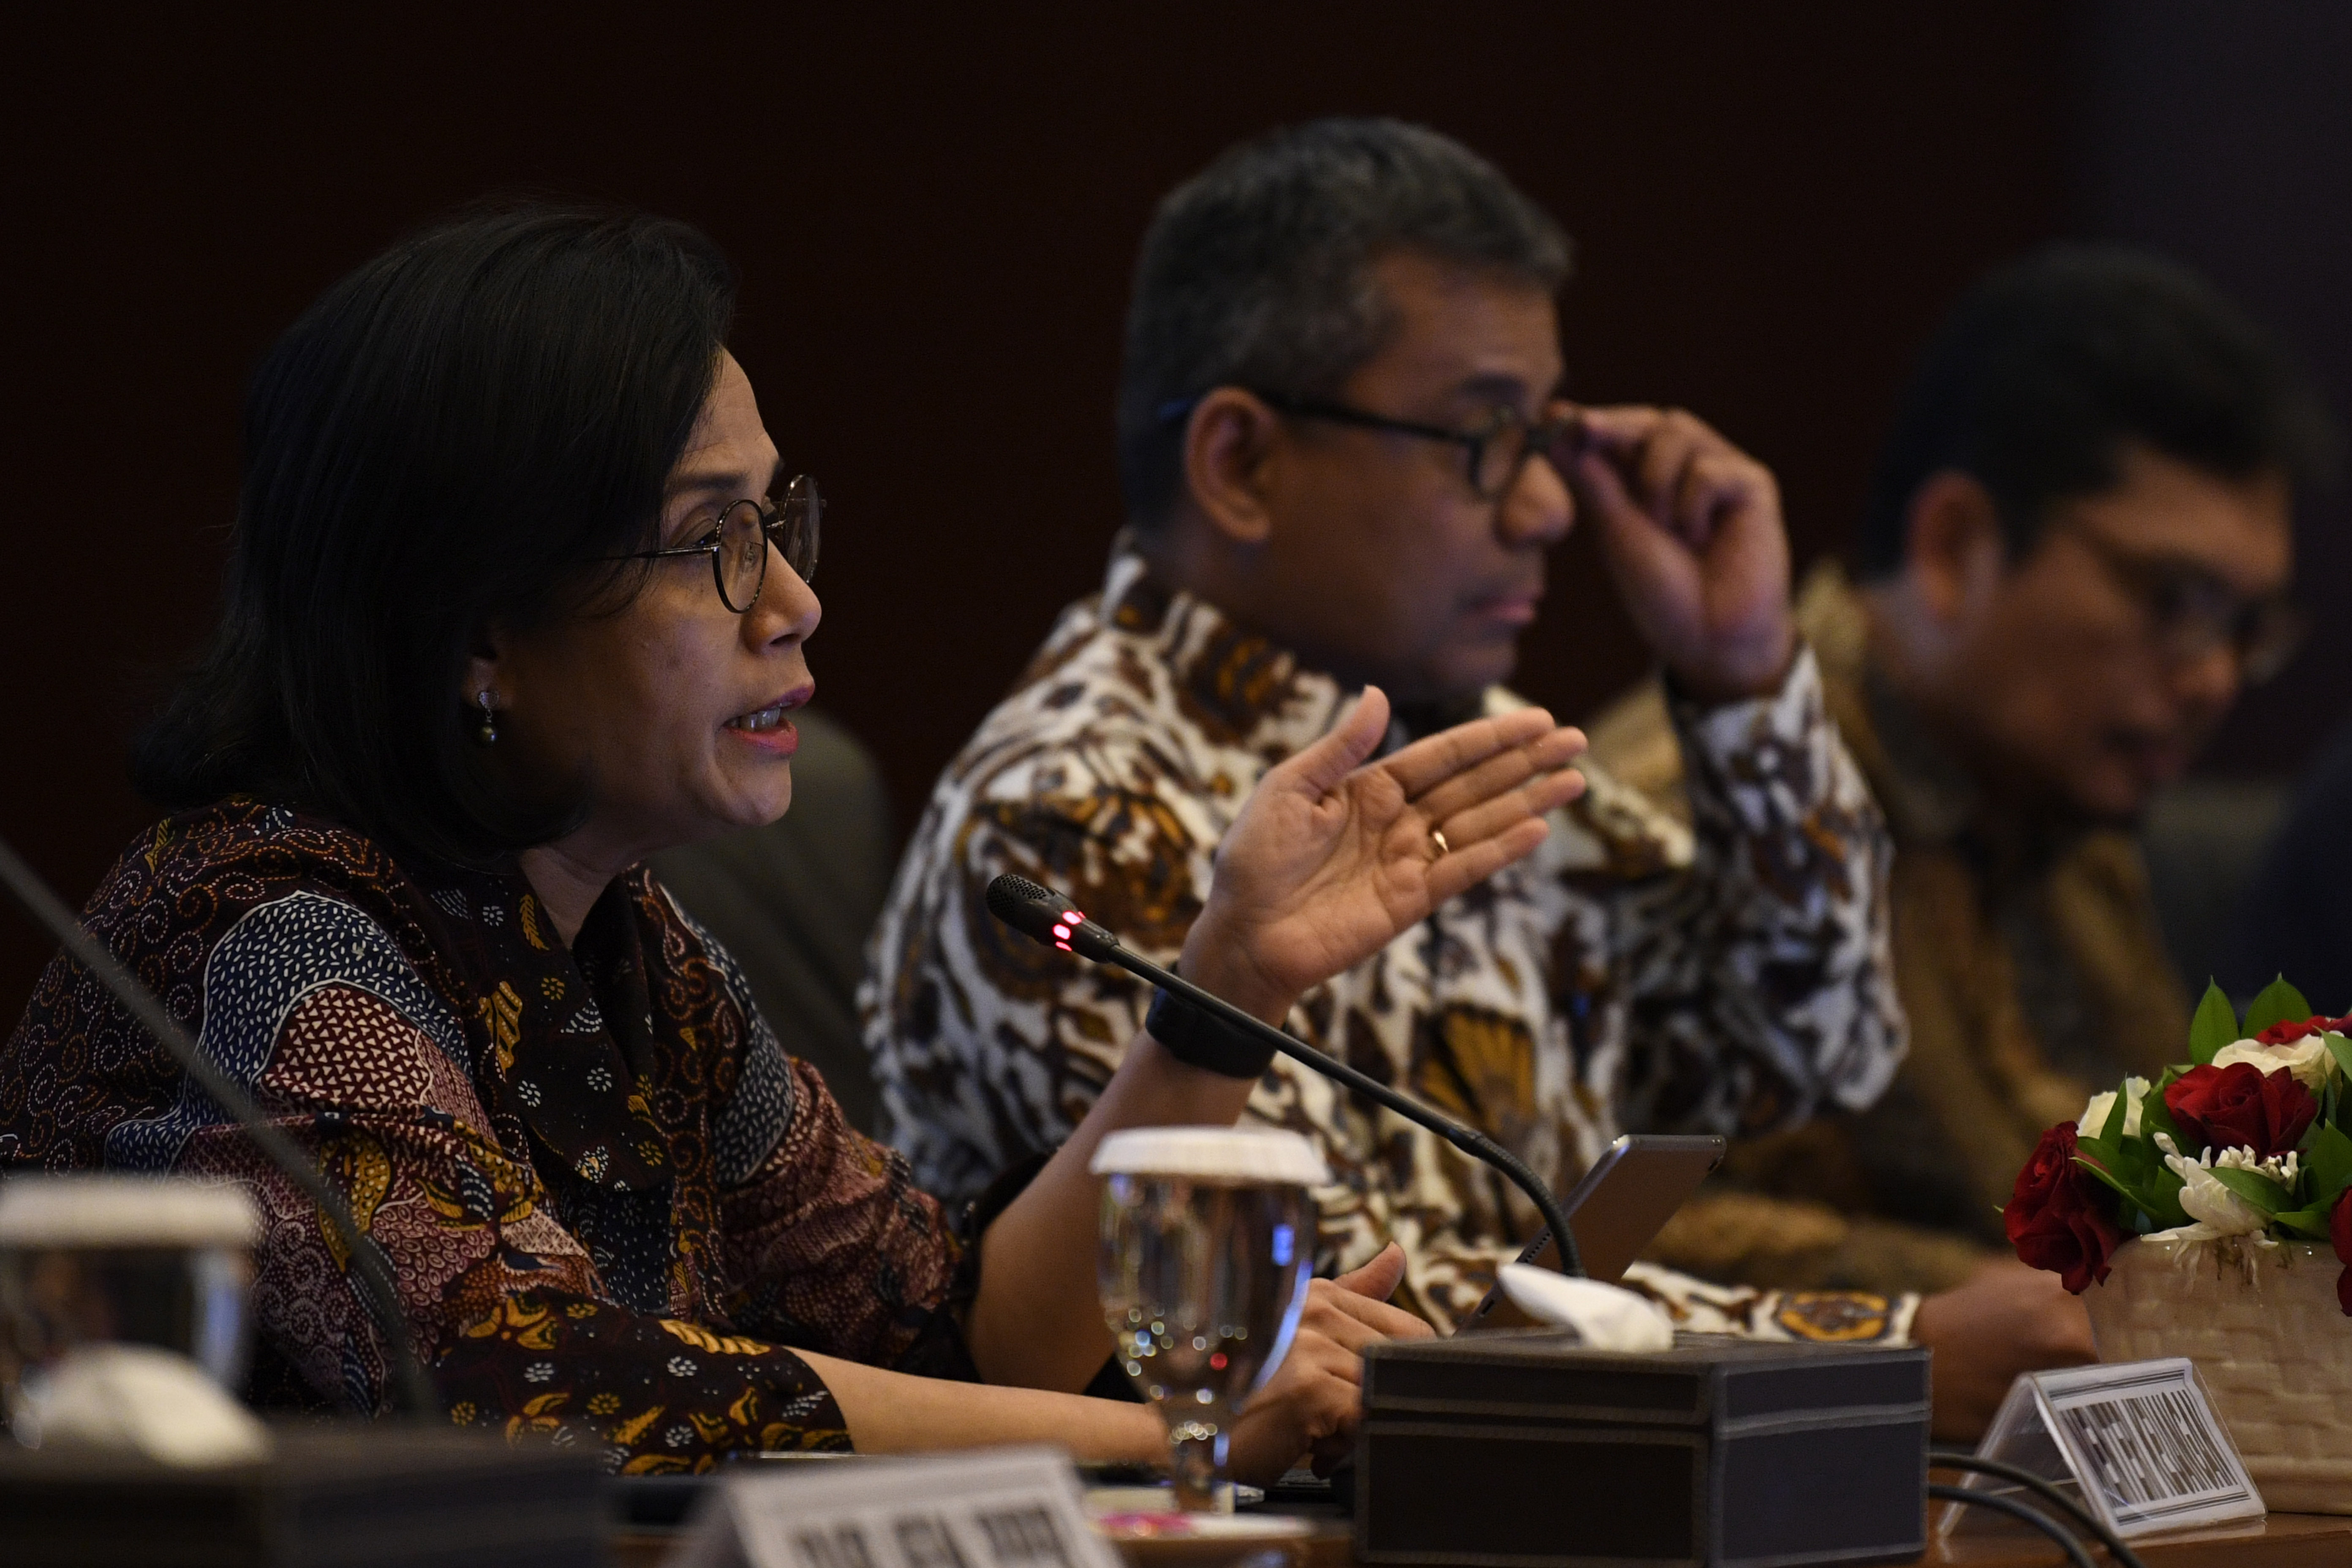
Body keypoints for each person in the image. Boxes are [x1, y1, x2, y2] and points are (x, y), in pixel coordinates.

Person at [0, 206, 1590, 1473]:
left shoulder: (624, 945)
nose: (796, 603)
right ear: (478, 622)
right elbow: (525, 1378)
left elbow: (947, 1335)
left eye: (779, 525)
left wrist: (1224, 983)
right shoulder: (267, 937)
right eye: (714, 545)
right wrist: (1176, 1436)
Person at [866, 118, 1941, 1362]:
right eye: (1482, 438)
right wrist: (1904, 1340)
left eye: (1544, 439)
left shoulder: (1474, 755)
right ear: (1244, 463)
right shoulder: (1079, 811)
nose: (1545, 510)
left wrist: (1745, 681)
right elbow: (1340, 1315)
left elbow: (1819, 1050)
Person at [1587, 246, 2337, 1429]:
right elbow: (1550, 1246)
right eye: (2173, 602)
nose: (2212, 679)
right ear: (1952, 545)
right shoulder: (1675, 808)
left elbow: (2136, 1202)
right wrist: (1928, 1314)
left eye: (2251, 627)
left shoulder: (2063, 785)